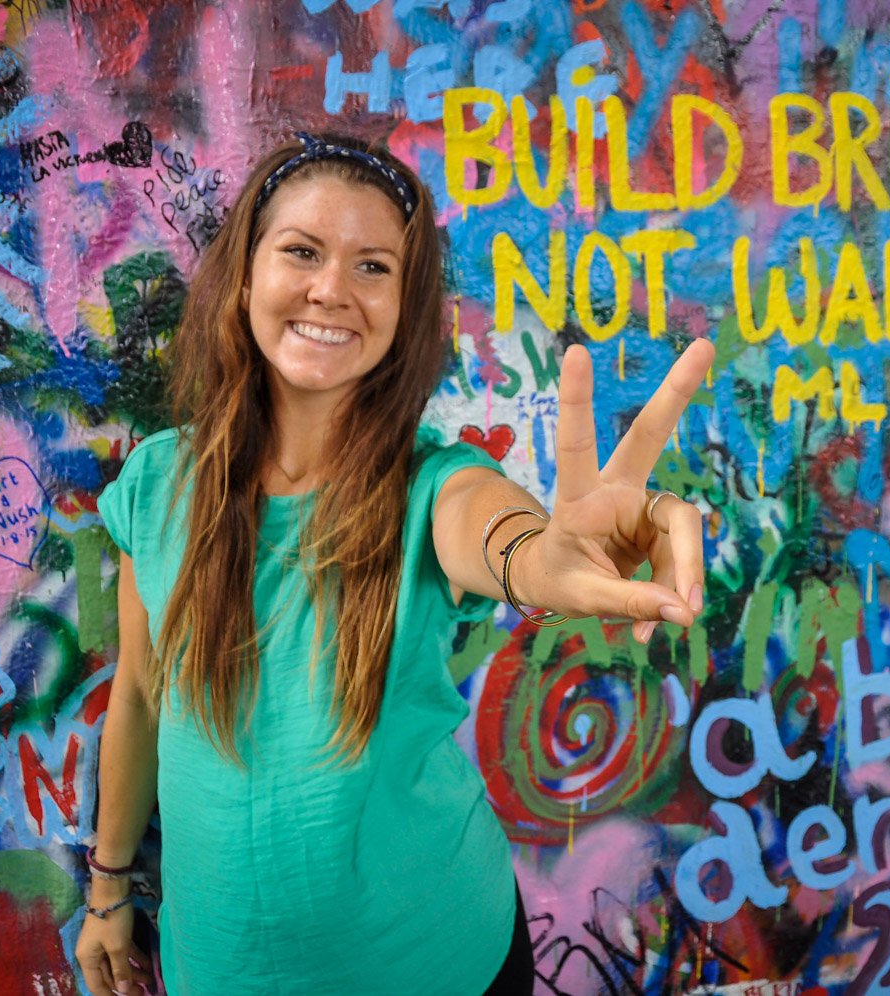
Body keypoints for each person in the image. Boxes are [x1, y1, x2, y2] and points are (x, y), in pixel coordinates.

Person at [74, 132, 714, 995]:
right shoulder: (155, 484)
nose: (332, 289)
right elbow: (143, 697)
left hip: (440, 961)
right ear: (246, 273)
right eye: (302, 251)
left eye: (373, 267)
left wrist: (547, 562)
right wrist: (109, 889)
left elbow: (501, 538)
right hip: (214, 970)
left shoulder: (434, 487)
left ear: (405, 309)